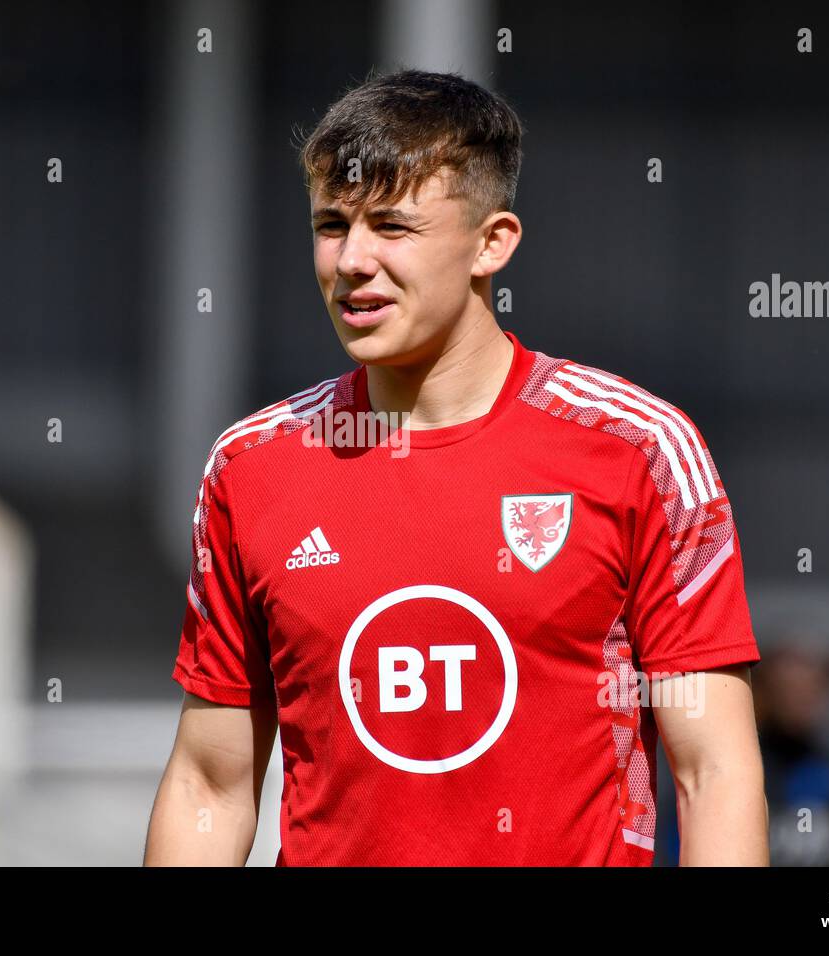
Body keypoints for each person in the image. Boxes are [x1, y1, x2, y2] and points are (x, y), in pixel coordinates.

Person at [144, 68, 766, 866]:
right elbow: (209, 783)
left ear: (492, 242)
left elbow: (713, 772)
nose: (352, 261)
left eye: (393, 227)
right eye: (332, 225)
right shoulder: (251, 466)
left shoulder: (638, 448)